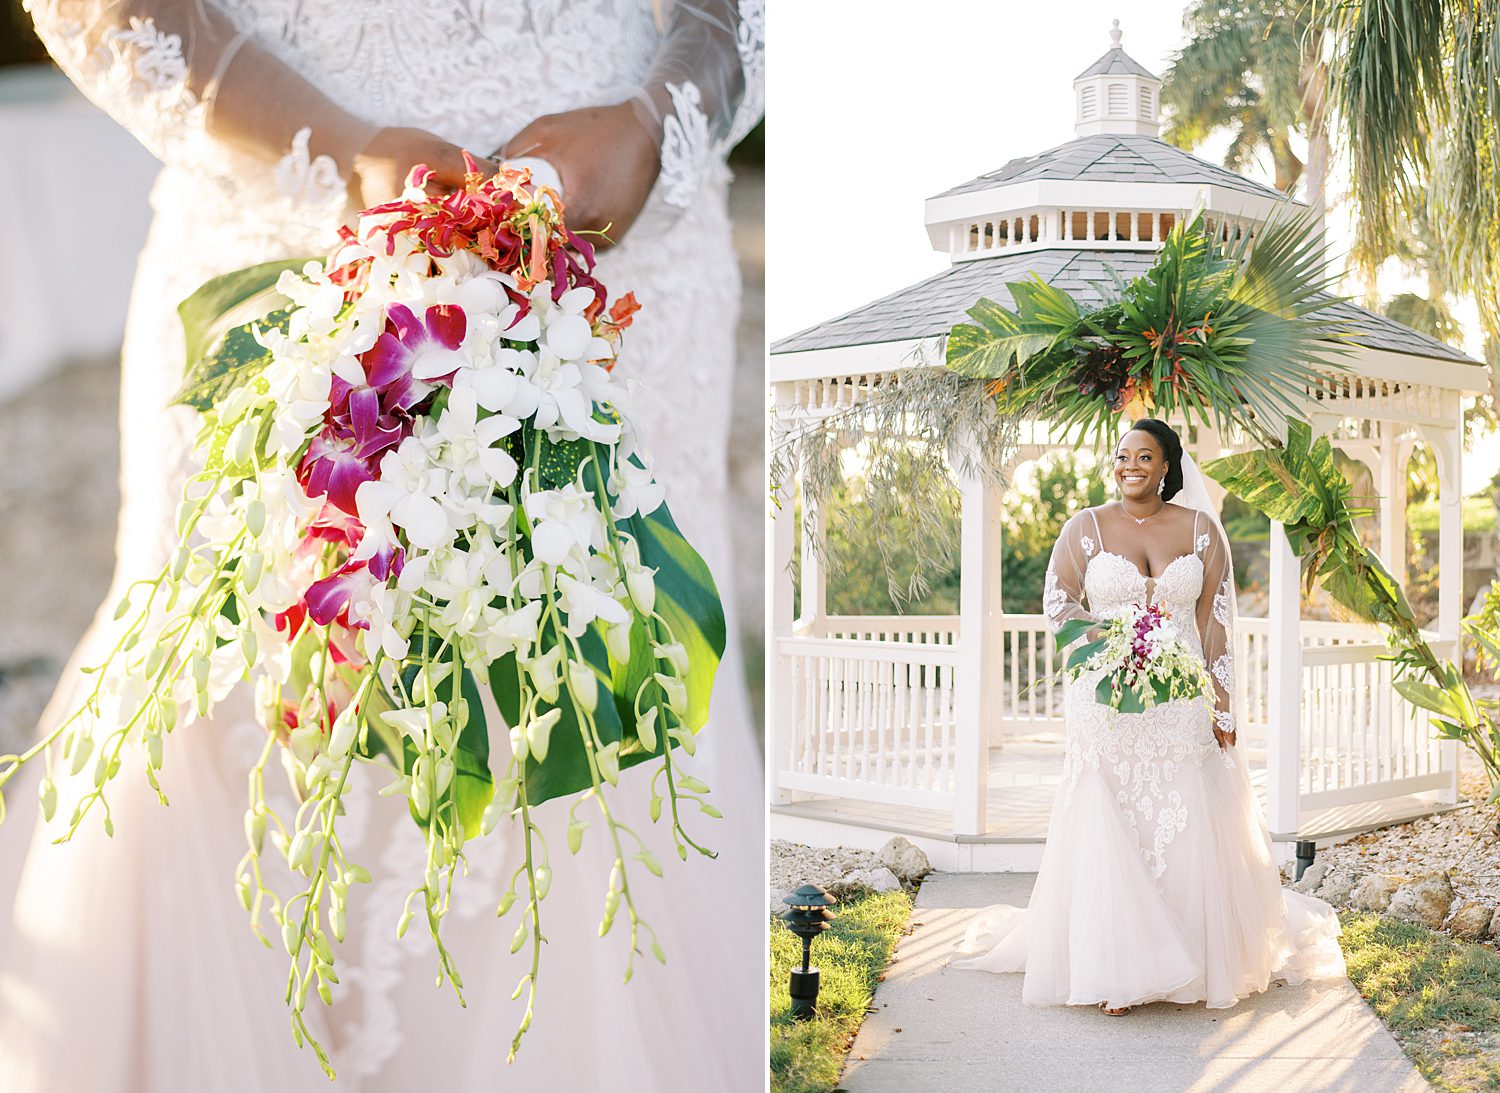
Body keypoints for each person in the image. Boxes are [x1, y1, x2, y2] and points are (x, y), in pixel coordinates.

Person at [0, 2, 763, 1089]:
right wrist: (338, 146)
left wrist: (666, 113)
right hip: (286, 210)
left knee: (598, 694)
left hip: (624, 233)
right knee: (256, 690)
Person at [952, 419, 1346, 1014]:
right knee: (1108, 814)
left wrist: (1224, 701)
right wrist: (1108, 644)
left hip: (1180, 699)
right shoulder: (1084, 527)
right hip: (1105, 698)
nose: (1130, 465)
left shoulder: (1201, 530)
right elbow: (1058, 602)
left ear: (1167, 466)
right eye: (1122, 455)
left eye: (1144, 456)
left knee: (1181, 812)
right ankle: (1115, 969)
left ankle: (1190, 952)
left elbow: (1215, 624)